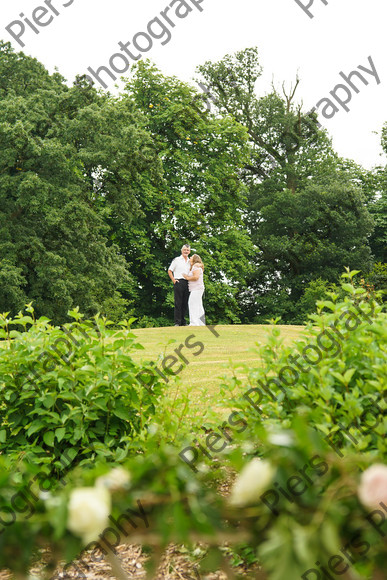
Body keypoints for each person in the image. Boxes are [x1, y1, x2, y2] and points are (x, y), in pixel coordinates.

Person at [168, 244, 191, 326]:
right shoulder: (176, 260)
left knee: (185, 303)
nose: (186, 251)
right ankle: (177, 322)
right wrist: (174, 280)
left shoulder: (190, 261)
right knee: (178, 302)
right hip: (179, 282)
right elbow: (170, 270)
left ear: (189, 251)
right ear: (182, 251)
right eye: (184, 250)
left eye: (187, 250)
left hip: (187, 283)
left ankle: (183, 322)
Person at [183, 254, 205, 326]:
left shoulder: (196, 266)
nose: (190, 258)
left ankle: (194, 323)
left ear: (195, 259)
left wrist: (187, 278)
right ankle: (201, 323)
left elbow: (196, 277)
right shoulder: (194, 267)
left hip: (197, 288)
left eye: (191, 257)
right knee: (198, 305)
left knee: (192, 304)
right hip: (197, 288)